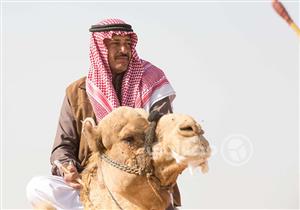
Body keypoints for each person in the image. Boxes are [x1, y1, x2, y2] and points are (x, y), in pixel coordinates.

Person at [26, 18, 181, 209]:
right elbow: (63, 146)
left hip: (142, 184)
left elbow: (165, 136)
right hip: (93, 183)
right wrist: (68, 168)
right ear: (99, 48)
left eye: (127, 44)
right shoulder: (76, 92)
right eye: (115, 44)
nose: (124, 50)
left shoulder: (151, 82)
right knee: (38, 187)